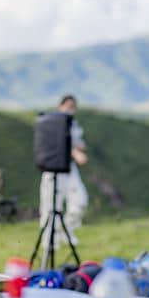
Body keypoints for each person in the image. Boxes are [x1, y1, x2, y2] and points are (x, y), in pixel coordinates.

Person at [39, 94, 88, 249]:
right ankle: (49, 241)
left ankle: (65, 230)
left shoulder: (74, 125)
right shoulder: (51, 123)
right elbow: (59, 142)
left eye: (73, 107)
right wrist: (75, 152)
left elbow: (78, 143)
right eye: (67, 106)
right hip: (52, 169)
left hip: (70, 168)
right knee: (50, 206)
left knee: (80, 201)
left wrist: (79, 148)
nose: (70, 109)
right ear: (60, 106)